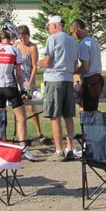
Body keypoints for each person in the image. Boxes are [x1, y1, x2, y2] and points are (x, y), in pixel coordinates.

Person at [0, 22, 37, 162]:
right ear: (12, 35)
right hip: (10, 87)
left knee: (0, 119)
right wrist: (23, 89)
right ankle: (23, 148)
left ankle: (1, 148)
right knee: (21, 118)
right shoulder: (14, 50)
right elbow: (19, 74)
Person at [37, 15, 79, 162]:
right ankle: (70, 148)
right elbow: (76, 66)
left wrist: (38, 63)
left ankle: (59, 150)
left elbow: (47, 62)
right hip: (68, 80)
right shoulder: (73, 41)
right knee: (68, 116)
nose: (48, 30)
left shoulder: (52, 39)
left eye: (48, 27)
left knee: (55, 117)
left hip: (54, 80)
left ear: (54, 26)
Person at [14, 25, 47, 143]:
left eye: (26, 37)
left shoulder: (32, 47)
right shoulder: (16, 45)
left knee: (31, 107)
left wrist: (30, 82)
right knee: (18, 108)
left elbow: (34, 66)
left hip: (28, 79)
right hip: (18, 79)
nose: (24, 40)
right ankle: (22, 135)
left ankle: (39, 132)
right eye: (21, 37)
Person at [69, 18, 104, 112]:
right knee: (91, 110)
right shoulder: (93, 41)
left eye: (72, 33)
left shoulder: (83, 44)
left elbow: (84, 68)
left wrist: (72, 72)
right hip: (97, 79)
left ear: (76, 30)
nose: (73, 36)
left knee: (89, 113)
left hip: (90, 81)